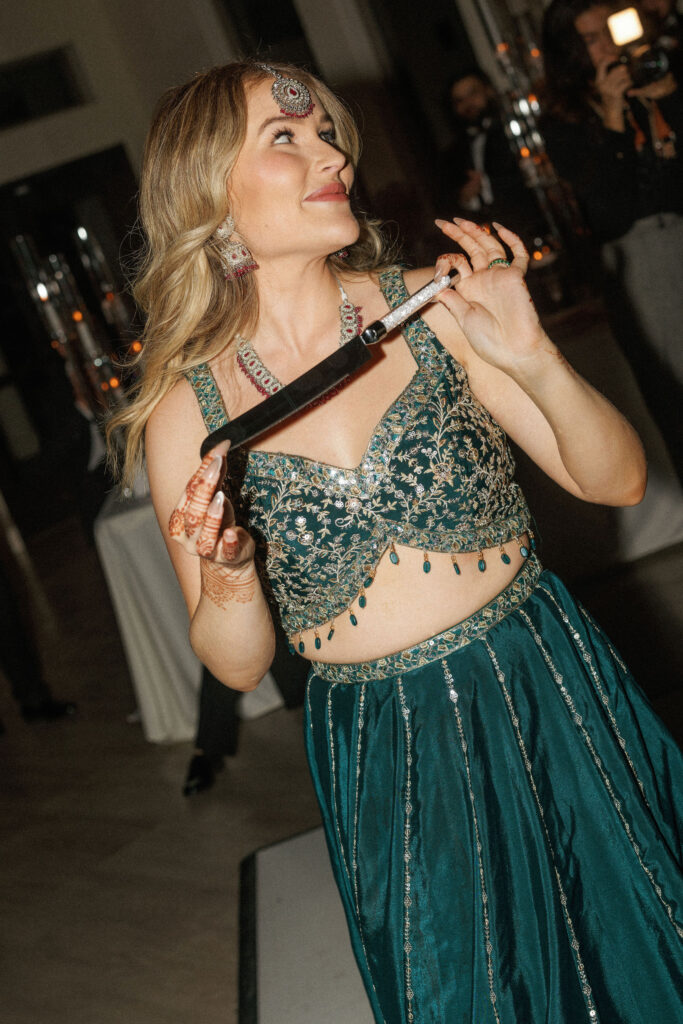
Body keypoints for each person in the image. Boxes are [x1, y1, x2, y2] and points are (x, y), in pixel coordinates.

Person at [109, 61, 683, 1022]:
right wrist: (232, 572)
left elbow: (617, 478)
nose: (328, 149)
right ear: (208, 188)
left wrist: (532, 356)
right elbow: (234, 662)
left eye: (325, 131)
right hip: (387, 747)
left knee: (635, 949)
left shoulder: (430, 307)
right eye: (284, 139)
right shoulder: (188, 413)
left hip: (539, 679)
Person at [541, 0, 683, 479]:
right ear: (571, 51)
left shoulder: (658, 71)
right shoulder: (565, 117)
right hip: (642, 258)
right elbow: (609, 210)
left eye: (611, 28)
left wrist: (671, 100)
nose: (608, 43)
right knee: (676, 391)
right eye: (592, 37)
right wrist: (614, 118)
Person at [436, 67, 546, 245]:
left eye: (473, 93)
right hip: (491, 243)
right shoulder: (456, 151)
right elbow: (446, 202)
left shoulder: (514, 129)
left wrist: (486, 183)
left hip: (533, 229)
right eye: (459, 100)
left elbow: (532, 174)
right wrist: (466, 197)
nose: (468, 103)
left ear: (488, 90)